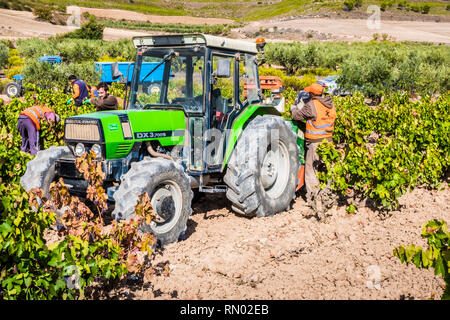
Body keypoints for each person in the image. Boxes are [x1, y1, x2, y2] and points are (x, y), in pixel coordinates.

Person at [290, 83, 336, 208]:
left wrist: (293, 108)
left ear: (311, 94)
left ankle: (313, 198)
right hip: (328, 141)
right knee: (325, 168)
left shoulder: (312, 105)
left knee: (311, 170)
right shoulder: (330, 105)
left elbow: (296, 115)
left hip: (315, 142)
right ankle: (327, 194)